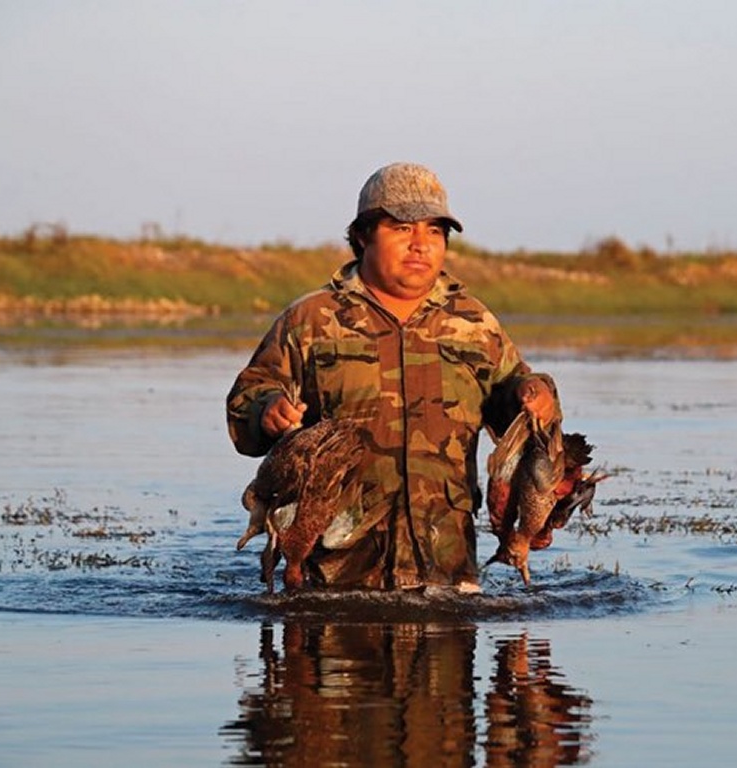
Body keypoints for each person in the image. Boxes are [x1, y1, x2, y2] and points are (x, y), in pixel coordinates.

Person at [227, 162, 559, 591]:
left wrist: (536, 393)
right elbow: (249, 396)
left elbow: (515, 404)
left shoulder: (475, 324)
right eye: (402, 228)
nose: (421, 244)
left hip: (448, 574)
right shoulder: (312, 319)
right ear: (363, 235)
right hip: (332, 574)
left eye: (435, 231)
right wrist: (267, 410)